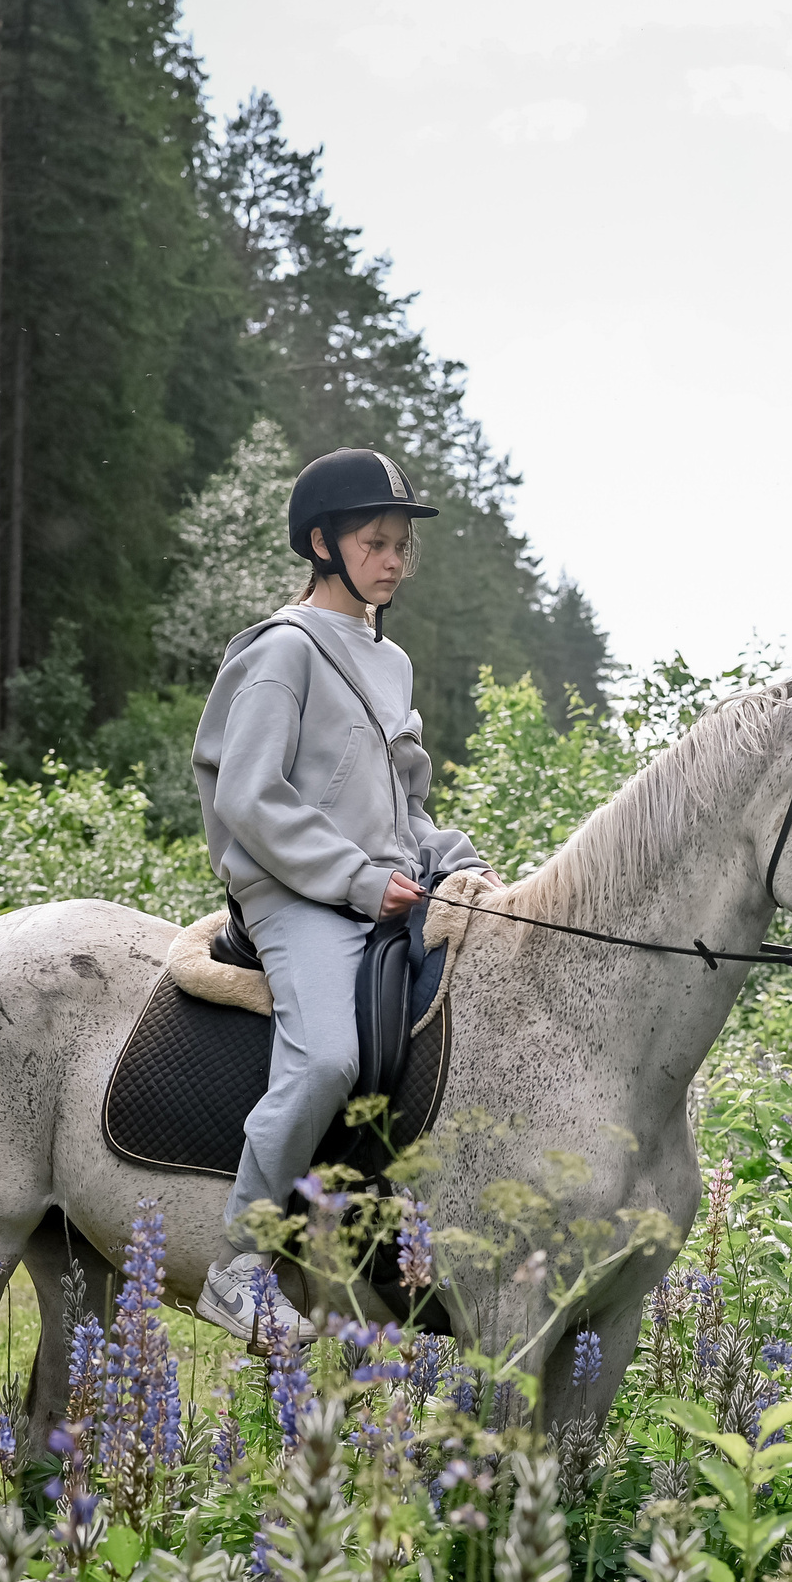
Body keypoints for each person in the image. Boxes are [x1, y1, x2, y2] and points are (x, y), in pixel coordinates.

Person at [188, 448, 491, 1346]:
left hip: (379, 889)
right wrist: (357, 879)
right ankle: (238, 1263)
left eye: (402, 544)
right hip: (297, 895)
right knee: (328, 1059)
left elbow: (402, 807)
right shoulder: (284, 650)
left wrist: (456, 859)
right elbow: (249, 794)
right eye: (375, 540)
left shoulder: (387, 661)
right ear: (323, 542)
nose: (393, 559)